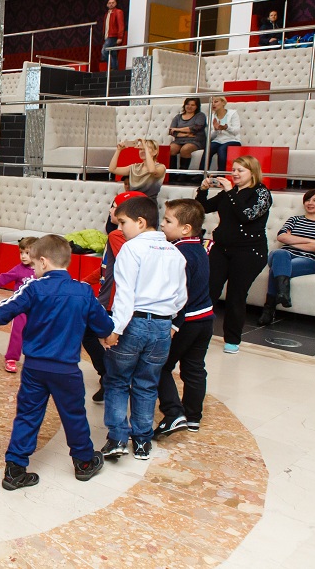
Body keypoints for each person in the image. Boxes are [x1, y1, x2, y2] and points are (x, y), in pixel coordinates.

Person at [0, 235, 114, 490]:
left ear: (43, 261)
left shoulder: (33, 288)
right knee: (74, 415)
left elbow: (3, 310)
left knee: (27, 416)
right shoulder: (83, 291)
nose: (32, 268)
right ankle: (84, 462)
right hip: (66, 370)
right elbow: (104, 327)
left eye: (33, 264)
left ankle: (15, 470)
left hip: (34, 368)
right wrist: (108, 333)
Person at [100, 196, 187, 462]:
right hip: (162, 325)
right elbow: (181, 297)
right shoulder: (175, 252)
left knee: (117, 381)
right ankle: (142, 441)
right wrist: (168, 321)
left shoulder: (131, 249)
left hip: (133, 323)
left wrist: (115, 329)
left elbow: (125, 295)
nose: (120, 228)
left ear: (140, 222)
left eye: (123, 222)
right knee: (147, 384)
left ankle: (117, 439)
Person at [197, 156, 272, 353]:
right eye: (234, 170)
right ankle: (198, 334)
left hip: (249, 252)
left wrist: (230, 191)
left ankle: (232, 339)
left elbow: (247, 215)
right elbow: (201, 209)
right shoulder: (229, 193)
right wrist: (203, 190)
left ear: (252, 173)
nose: (235, 174)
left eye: (240, 170)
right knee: (208, 290)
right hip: (222, 248)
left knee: (235, 295)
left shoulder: (261, 193)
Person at [153, 199, 215, 439]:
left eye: (168, 221)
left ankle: (173, 413)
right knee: (194, 368)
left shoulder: (177, 253)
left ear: (186, 228)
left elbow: (180, 294)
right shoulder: (199, 247)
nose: (162, 224)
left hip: (185, 322)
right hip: (205, 319)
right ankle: (193, 416)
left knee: (159, 365)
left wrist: (173, 324)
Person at [82, 190, 145, 402]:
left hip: (113, 301)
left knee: (94, 335)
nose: (110, 211)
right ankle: (110, 377)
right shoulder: (117, 236)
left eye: (114, 207)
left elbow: (125, 264)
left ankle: (109, 377)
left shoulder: (117, 236)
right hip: (111, 298)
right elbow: (107, 267)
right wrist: (85, 281)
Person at [258, 188, 315, 325]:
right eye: (307, 200)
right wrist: (312, 241)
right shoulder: (295, 219)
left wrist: (292, 240)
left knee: (276, 269)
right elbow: (281, 237)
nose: (310, 203)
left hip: (309, 260)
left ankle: (269, 309)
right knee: (279, 253)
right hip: (283, 255)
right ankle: (283, 294)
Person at [0, 237, 37, 373]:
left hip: (37, 309)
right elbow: (3, 278)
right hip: (20, 309)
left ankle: (36, 359)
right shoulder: (19, 270)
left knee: (38, 333)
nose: (23, 256)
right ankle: (11, 358)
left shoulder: (43, 270)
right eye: (21, 252)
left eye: (27, 253)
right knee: (17, 332)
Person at [168, 97, 207, 181]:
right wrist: (186, 134)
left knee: (185, 149)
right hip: (179, 140)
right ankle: (171, 173)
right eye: (188, 104)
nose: (189, 107)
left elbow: (196, 128)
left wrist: (178, 129)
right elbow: (171, 131)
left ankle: (183, 173)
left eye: (193, 105)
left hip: (195, 140)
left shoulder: (200, 115)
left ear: (197, 106)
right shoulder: (178, 117)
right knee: (171, 149)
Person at [207, 96, 241, 173]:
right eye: (211, 102)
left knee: (221, 149)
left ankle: (221, 174)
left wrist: (226, 127)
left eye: (216, 101)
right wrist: (216, 130)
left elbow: (236, 131)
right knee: (209, 148)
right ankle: (201, 174)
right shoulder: (210, 117)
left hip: (232, 140)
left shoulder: (232, 113)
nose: (213, 104)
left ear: (223, 102)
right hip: (218, 140)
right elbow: (210, 137)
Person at [101, 0, 126, 70]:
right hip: (107, 36)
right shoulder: (107, 14)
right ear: (107, 5)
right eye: (109, 3)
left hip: (113, 36)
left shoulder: (118, 12)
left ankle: (112, 67)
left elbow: (121, 24)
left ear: (116, 4)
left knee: (104, 51)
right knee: (113, 53)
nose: (111, 4)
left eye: (113, 3)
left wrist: (120, 37)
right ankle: (115, 69)